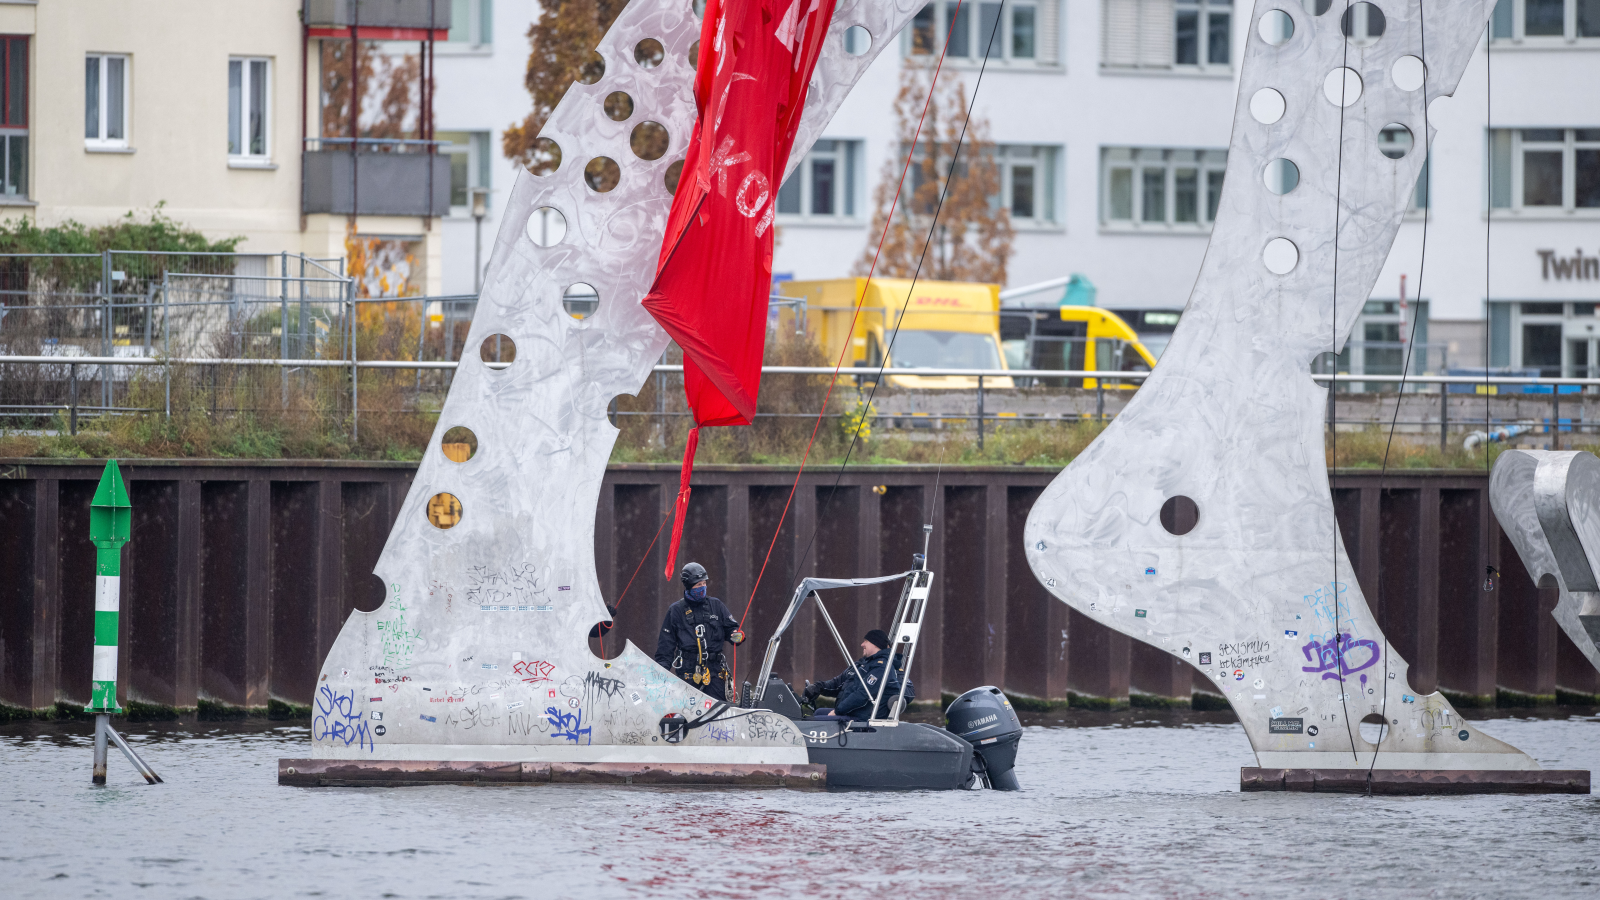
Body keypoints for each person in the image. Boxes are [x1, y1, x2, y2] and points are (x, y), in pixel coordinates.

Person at [654, 562, 745, 700]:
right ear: (688, 586)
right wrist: (661, 674)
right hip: (688, 674)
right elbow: (665, 648)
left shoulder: (717, 606)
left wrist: (737, 635)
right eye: (698, 585)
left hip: (715, 673)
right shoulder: (676, 611)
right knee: (689, 714)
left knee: (718, 712)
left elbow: (732, 629)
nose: (702, 588)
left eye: (704, 584)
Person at [803, 629, 914, 721]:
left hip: (862, 719)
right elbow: (838, 683)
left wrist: (838, 711)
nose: (862, 644)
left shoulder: (881, 668)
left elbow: (862, 695)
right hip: (853, 713)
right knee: (818, 712)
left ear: (875, 644)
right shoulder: (862, 665)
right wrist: (818, 688)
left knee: (812, 721)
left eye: (865, 641)